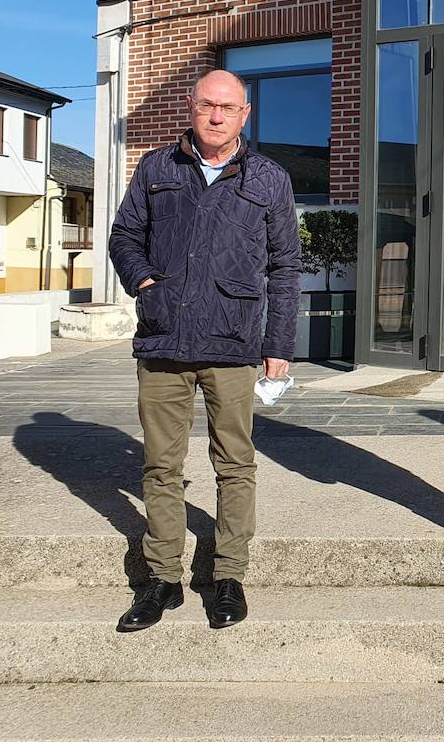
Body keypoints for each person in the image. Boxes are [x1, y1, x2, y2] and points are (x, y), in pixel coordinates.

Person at [108, 68, 301, 631]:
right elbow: (125, 236)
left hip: (234, 343)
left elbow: (285, 266)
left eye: (228, 107)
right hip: (164, 340)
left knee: (234, 464)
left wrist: (279, 344)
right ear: (191, 108)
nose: (216, 116)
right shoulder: (157, 167)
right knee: (160, 466)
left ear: (245, 115)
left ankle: (227, 577)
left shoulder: (268, 178)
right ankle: (163, 579)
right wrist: (146, 283)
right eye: (207, 105)